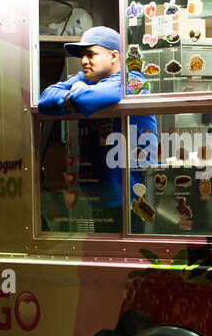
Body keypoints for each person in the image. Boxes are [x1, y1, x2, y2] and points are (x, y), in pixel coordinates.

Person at [37, 27, 157, 229]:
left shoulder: (132, 81)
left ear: (113, 55)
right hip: (99, 195)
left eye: (90, 54)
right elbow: (45, 99)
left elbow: (87, 99)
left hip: (130, 198)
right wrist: (77, 94)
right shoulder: (87, 80)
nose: (84, 60)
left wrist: (76, 94)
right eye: (82, 55)